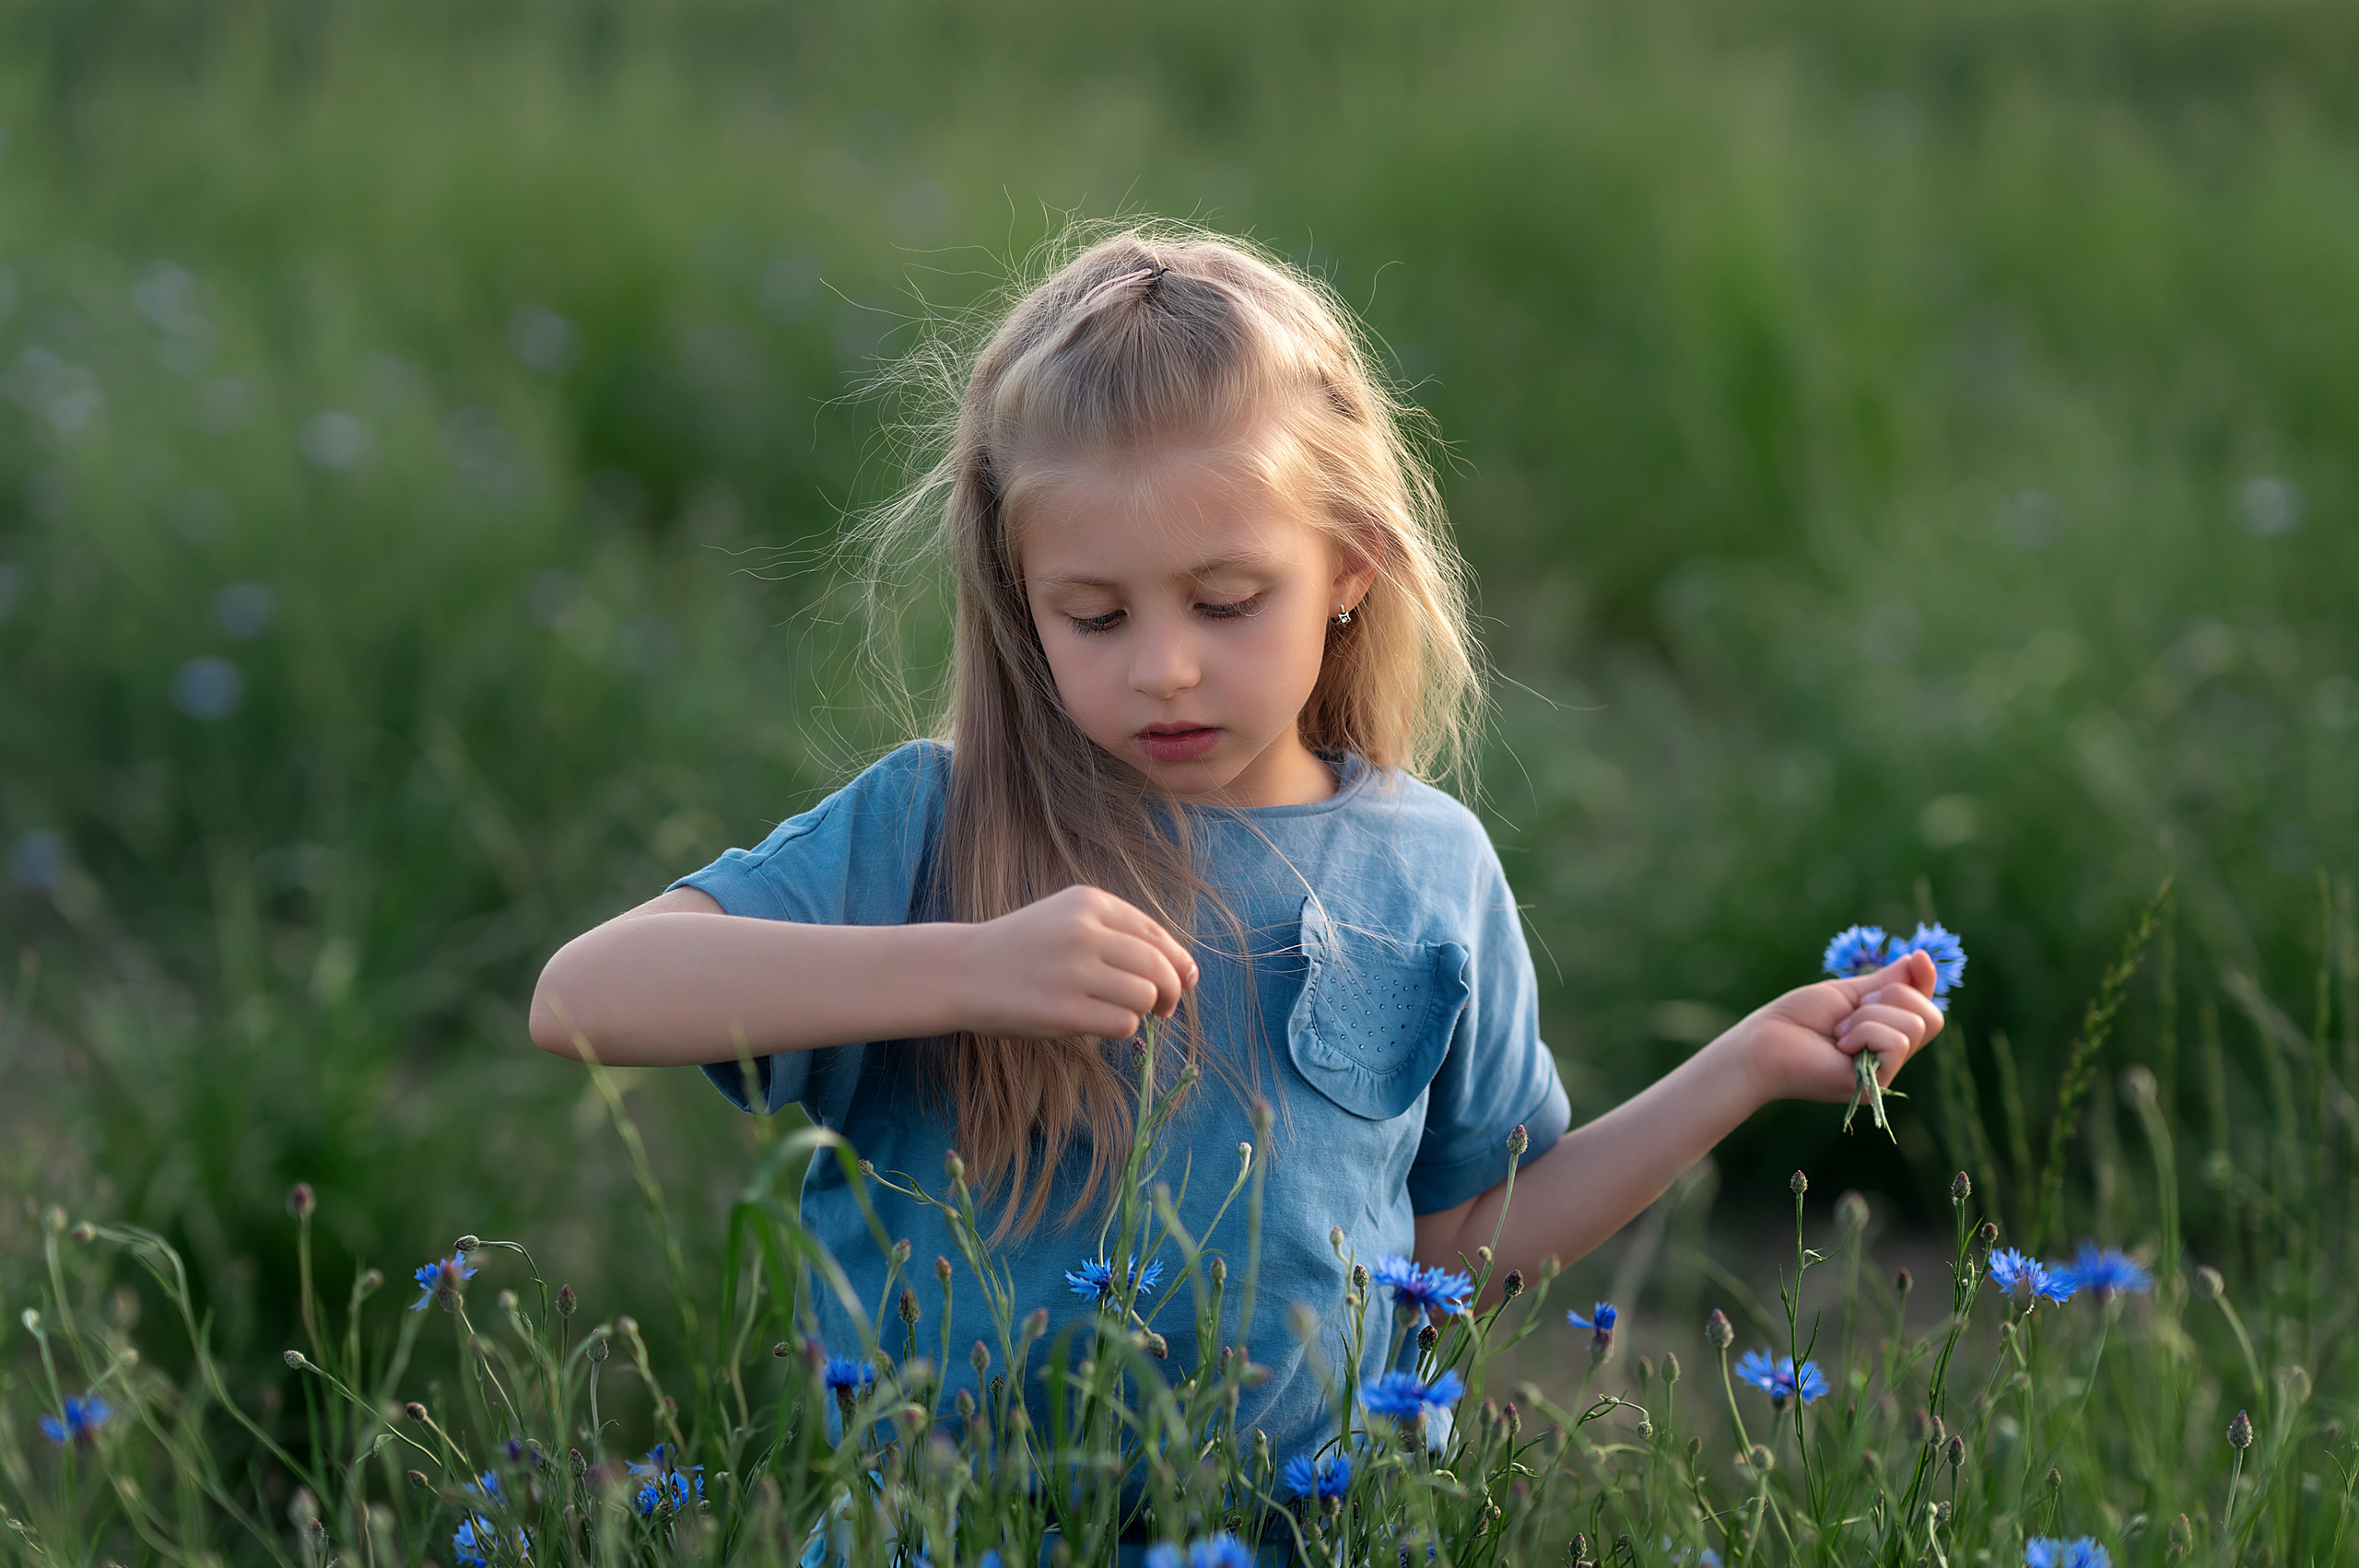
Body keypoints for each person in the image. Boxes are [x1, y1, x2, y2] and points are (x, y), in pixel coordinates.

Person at [528, 225, 1946, 1473]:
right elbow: (585, 997)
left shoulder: (1426, 865)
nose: (1165, 672)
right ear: (1023, 603)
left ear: (1347, 569)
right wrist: (966, 969)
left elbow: (1453, 1250)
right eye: (1095, 616)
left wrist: (1747, 1065)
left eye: (1225, 601)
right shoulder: (937, 826)